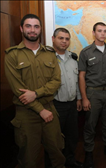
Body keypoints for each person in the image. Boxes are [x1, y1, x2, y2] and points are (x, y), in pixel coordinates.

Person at [4, 14, 65, 168]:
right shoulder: (12, 55)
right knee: (28, 159)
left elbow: (56, 81)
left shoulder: (50, 53)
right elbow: (18, 89)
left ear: (40, 29)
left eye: (36, 26)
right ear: (21, 28)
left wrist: (36, 93)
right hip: (26, 114)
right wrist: (40, 110)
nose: (32, 30)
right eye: (28, 26)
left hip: (49, 110)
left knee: (58, 153)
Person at [78, 22, 106, 168]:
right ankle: (89, 153)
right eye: (99, 31)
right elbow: (82, 76)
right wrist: (84, 98)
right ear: (93, 33)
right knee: (90, 125)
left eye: (105, 31)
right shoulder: (86, 52)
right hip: (93, 93)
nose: (102, 34)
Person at [44, 27, 83, 168]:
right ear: (53, 39)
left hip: (72, 104)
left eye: (67, 39)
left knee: (72, 136)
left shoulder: (73, 58)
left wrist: (79, 98)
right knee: (54, 138)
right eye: (61, 38)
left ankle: (70, 161)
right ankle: (55, 164)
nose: (64, 41)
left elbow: (77, 81)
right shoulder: (46, 59)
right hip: (54, 104)